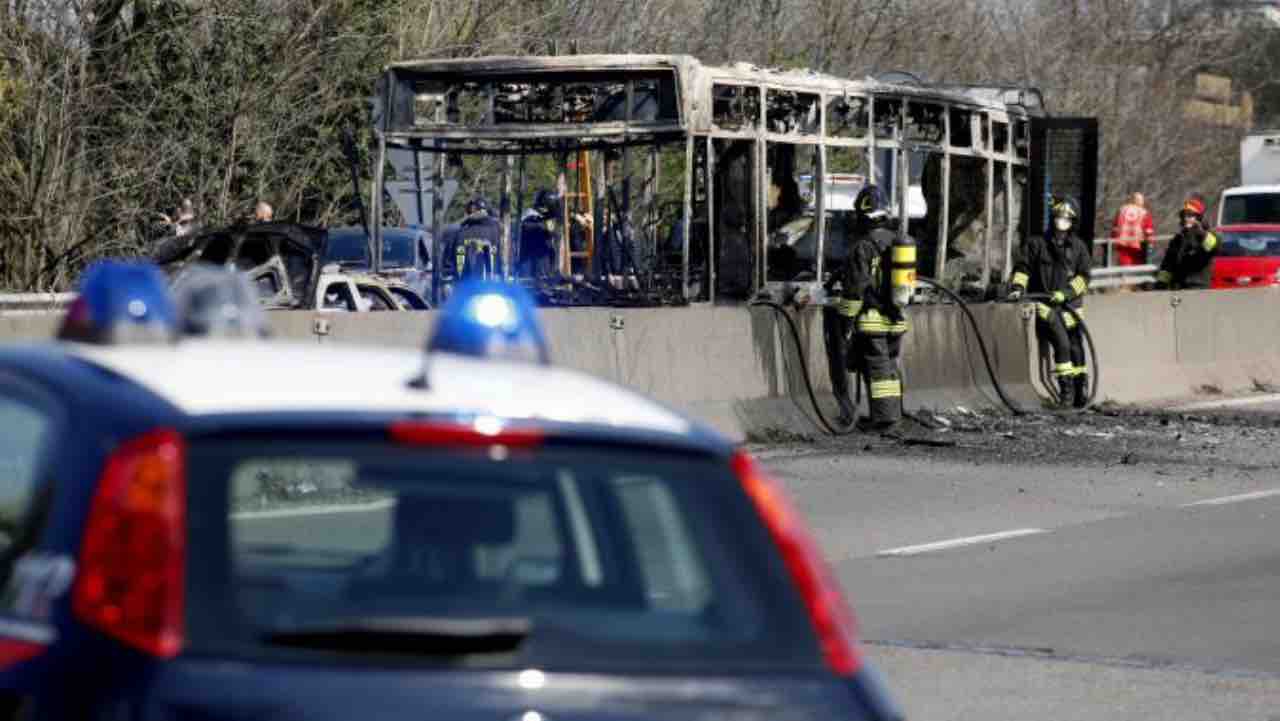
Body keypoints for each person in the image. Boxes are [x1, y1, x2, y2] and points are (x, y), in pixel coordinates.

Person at [823, 185, 915, 430]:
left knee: (877, 369)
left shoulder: (863, 246)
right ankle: (893, 414)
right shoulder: (896, 240)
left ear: (863, 215)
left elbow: (855, 289)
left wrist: (845, 319)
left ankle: (885, 420)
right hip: (896, 319)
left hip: (872, 320)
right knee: (889, 368)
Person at [1009, 196, 1092, 408]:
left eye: (1067, 217)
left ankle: (1080, 389)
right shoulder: (1036, 244)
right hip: (1045, 306)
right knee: (1062, 344)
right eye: (1059, 216)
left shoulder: (1079, 248)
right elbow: (1023, 269)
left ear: (1073, 222)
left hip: (1070, 307)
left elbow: (1084, 278)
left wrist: (1066, 294)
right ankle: (1066, 391)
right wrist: (1018, 288)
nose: (1062, 221)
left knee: (1076, 348)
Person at [1156, 194, 1219, 291]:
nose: (1186, 218)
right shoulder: (1177, 239)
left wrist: (1200, 233)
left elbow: (1213, 247)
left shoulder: (1208, 236)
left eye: (1190, 215)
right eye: (1184, 215)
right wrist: (1161, 283)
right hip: (1178, 287)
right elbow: (1167, 264)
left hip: (1198, 287)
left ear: (1199, 218)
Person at [451, 196, 502, 281]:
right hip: (489, 285)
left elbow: (451, 258)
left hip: (465, 284)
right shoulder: (496, 230)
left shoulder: (460, 230)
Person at [518, 189, 560, 280]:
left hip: (544, 263)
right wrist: (546, 228)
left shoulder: (546, 218)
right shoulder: (530, 216)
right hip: (530, 265)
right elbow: (528, 227)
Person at [1109, 192, 1154, 268]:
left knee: (1124, 266)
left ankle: (1124, 279)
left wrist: (1112, 240)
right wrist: (1150, 243)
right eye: (1142, 200)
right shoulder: (1144, 212)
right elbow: (1148, 230)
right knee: (1136, 268)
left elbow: (1115, 227)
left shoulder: (1121, 210)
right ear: (1138, 201)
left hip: (1122, 243)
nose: (1143, 202)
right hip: (1137, 244)